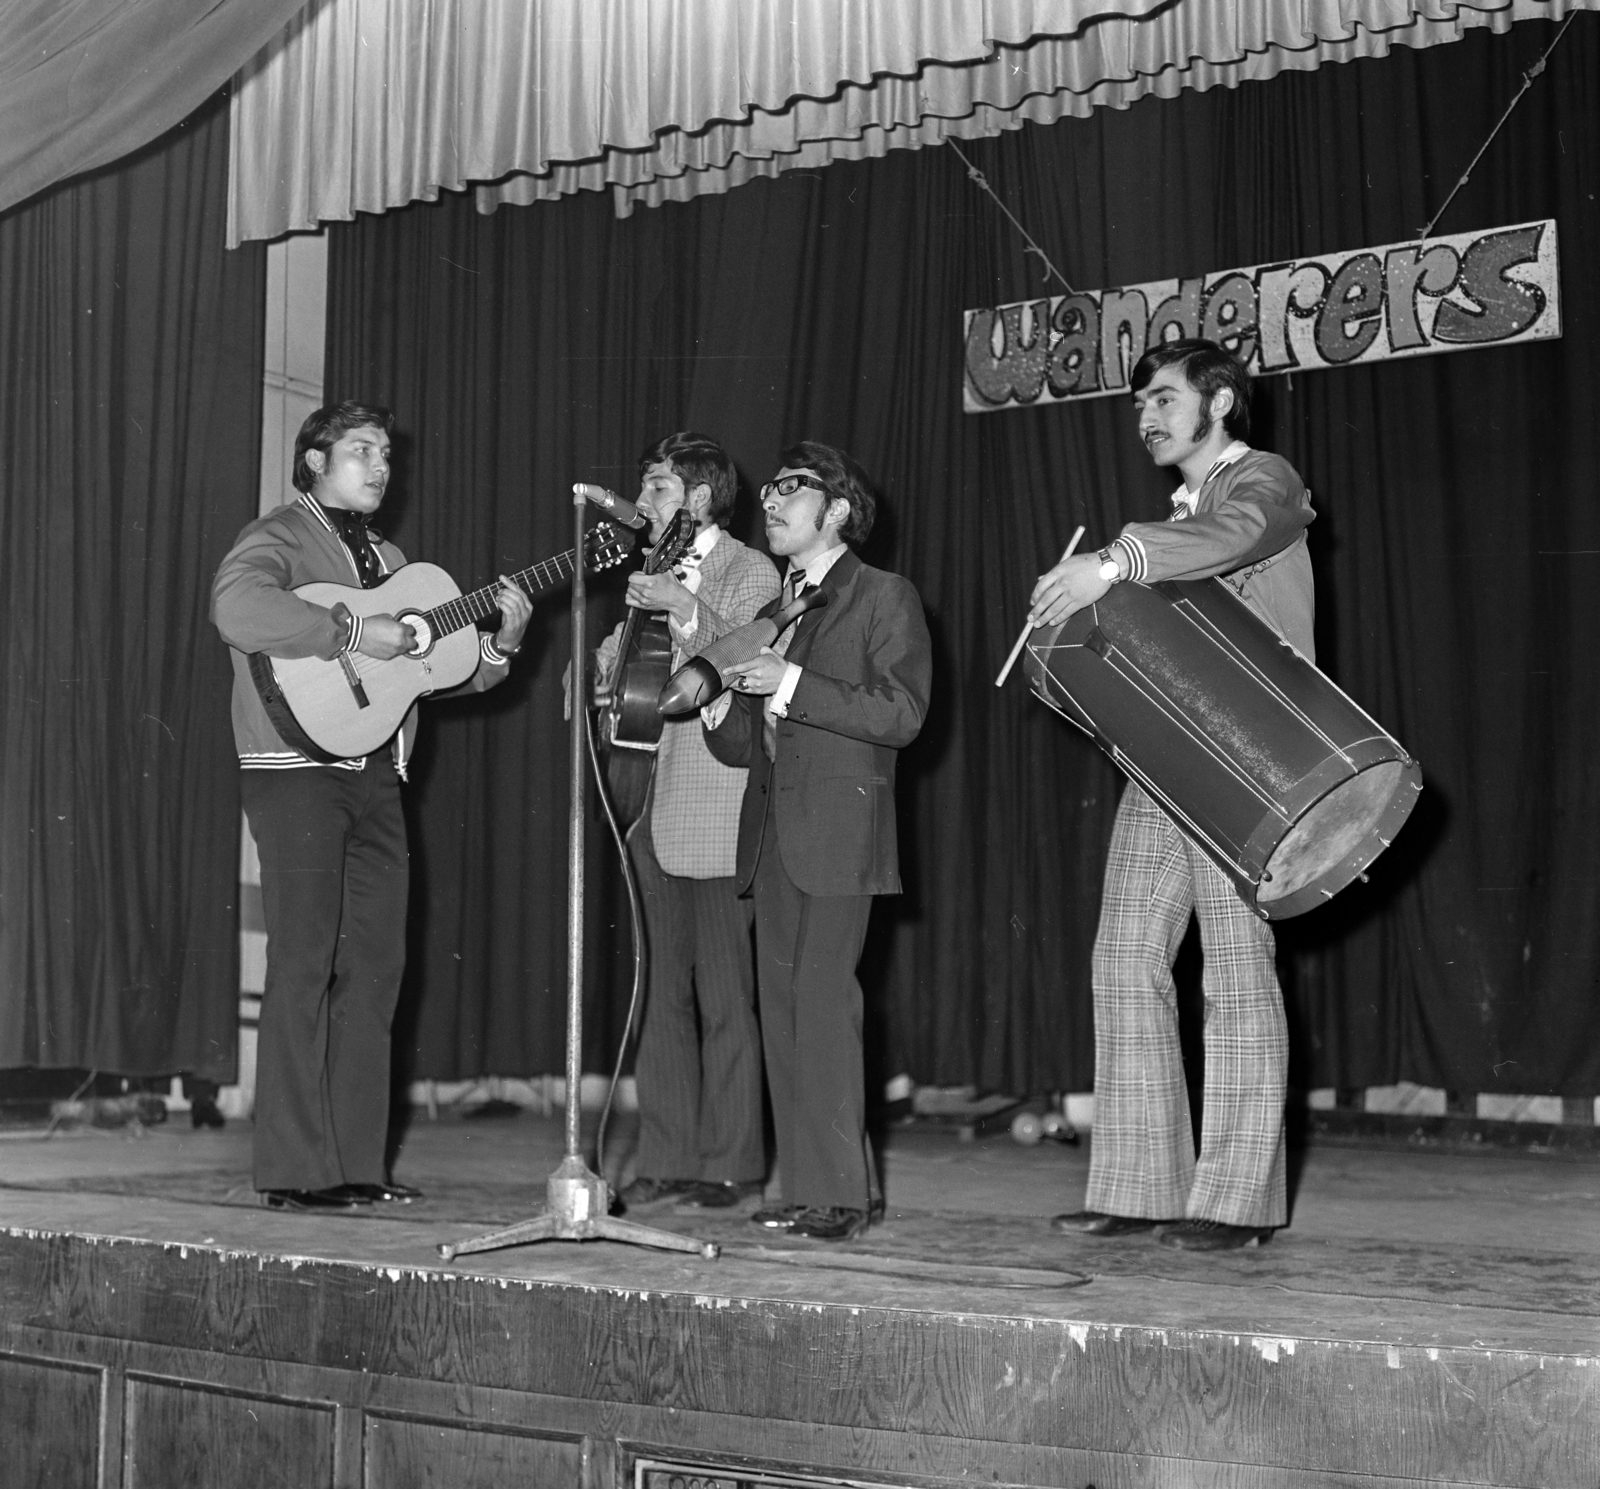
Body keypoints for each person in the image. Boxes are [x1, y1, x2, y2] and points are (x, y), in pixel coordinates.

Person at [1029, 338, 1314, 1252]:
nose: (1146, 416)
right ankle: (1143, 1184)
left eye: (1163, 398)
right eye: (1140, 404)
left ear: (1220, 402)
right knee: (1123, 957)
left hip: (1245, 760)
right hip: (1165, 757)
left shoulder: (1261, 480)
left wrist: (1113, 564)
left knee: (1235, 967)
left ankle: (1236, 1203)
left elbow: (1235, 535)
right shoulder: (1180, 513)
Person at [212, 401, 531, 1212]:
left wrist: (498, 645)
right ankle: (292, 1168)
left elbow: (432, 674)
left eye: (386, 453)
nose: (380, 466)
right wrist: (353, 629)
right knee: (305, 958)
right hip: (294, 769)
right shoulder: (278, 536)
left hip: (376, 776)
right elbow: (237, 610)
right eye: (361, 451)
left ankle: (356, 1162)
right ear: (315, 460)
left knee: (377, 966)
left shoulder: (390, 557)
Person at [704, 440, 932, 1241]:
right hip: (770, 834)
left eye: (790, 489)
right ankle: (801, 1184)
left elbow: (901, 713)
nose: (770, 500)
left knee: (825, 1008)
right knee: (783, 1014)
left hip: (839, 832)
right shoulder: (776, 608)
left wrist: (790, 682)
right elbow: (749, 746)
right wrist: (718, 707)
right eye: (767, 490)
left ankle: (841, 1194)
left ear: (836, 510)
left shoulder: (883, 595)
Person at [595, 433, 779, 1214]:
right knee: (660, 988)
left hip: (717, 799)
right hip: (645, 801)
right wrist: (601, 671)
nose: (649, 500)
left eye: (661, 486)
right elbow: (614, 663)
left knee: (727, 992)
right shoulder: (649, 574)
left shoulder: (751, 569)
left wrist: (685, 610)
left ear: (701, 498)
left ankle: (731, 1162)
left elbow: (742, 655)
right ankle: (667, 1156)